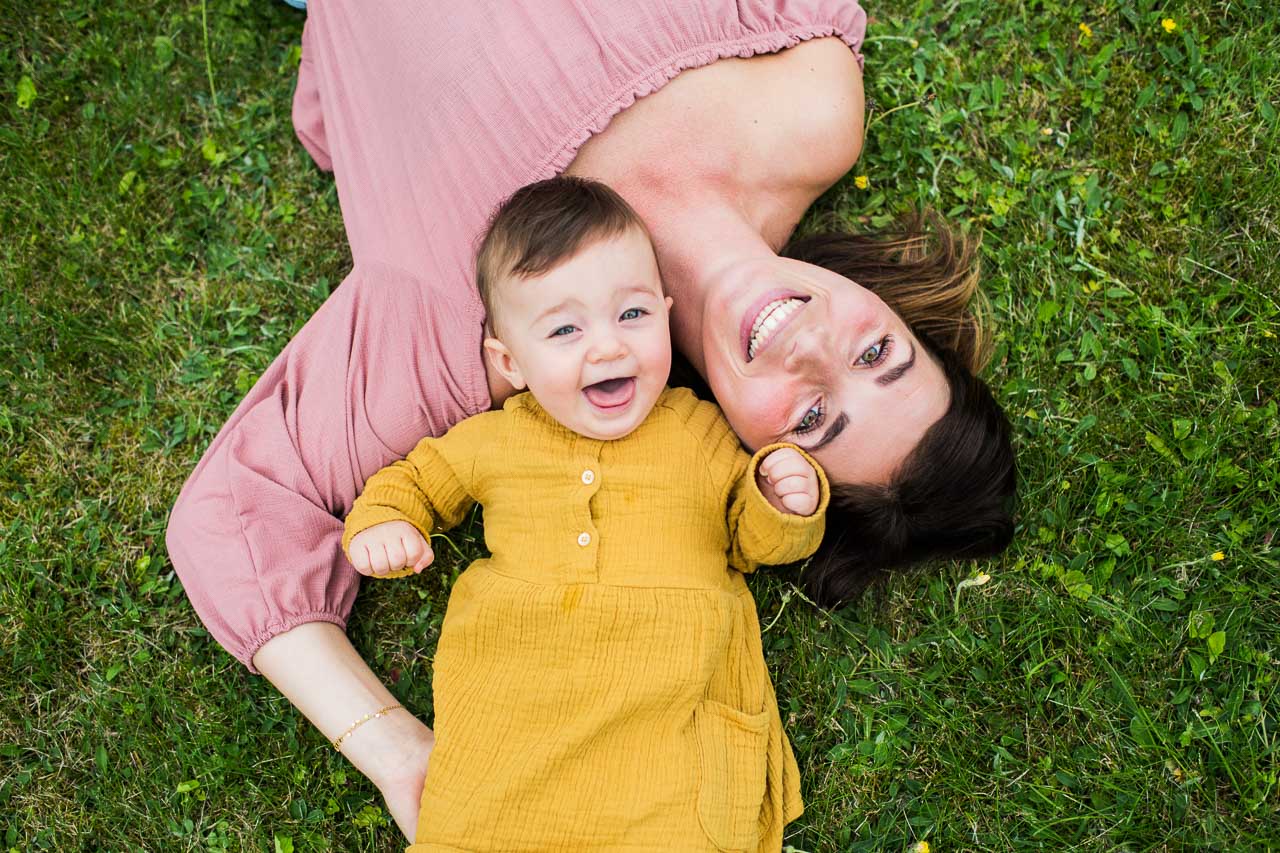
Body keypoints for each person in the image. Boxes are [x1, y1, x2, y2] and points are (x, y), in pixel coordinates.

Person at [165, 0, 1016, 839]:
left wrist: (392, 747)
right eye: (879, 354)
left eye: (816, 418)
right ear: (893, 310)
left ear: (760, 459)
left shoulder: (463, 334)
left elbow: (232, 521)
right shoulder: (814, 102)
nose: (813, 346)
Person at [343, 176, 826, 851]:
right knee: (478, 825)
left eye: (632, 315)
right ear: (511, 362)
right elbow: (419, 478)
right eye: (566, 329)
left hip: (666, 714)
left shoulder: (701, 432)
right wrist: (385, 521)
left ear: (665, 312)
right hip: (518, 703)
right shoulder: (496, 437)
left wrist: (778, 499)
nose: (608, 347)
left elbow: (751, 538)